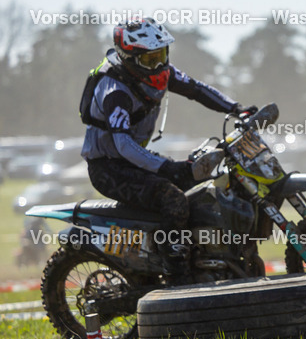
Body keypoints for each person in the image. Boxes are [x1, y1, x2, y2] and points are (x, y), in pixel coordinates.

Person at [80, 17, 254, 279]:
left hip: (132, 161)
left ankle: (204, 256)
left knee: (198, 182)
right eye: (150, 59)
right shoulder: (115, 91)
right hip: (109, 168)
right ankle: (176, 274)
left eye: (161, 55)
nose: (159, 65)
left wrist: (235, 108)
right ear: (129, 58)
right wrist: (168, 167)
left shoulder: (160, 72)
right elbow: (124, 145)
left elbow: (197, 89)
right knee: (173, 199)